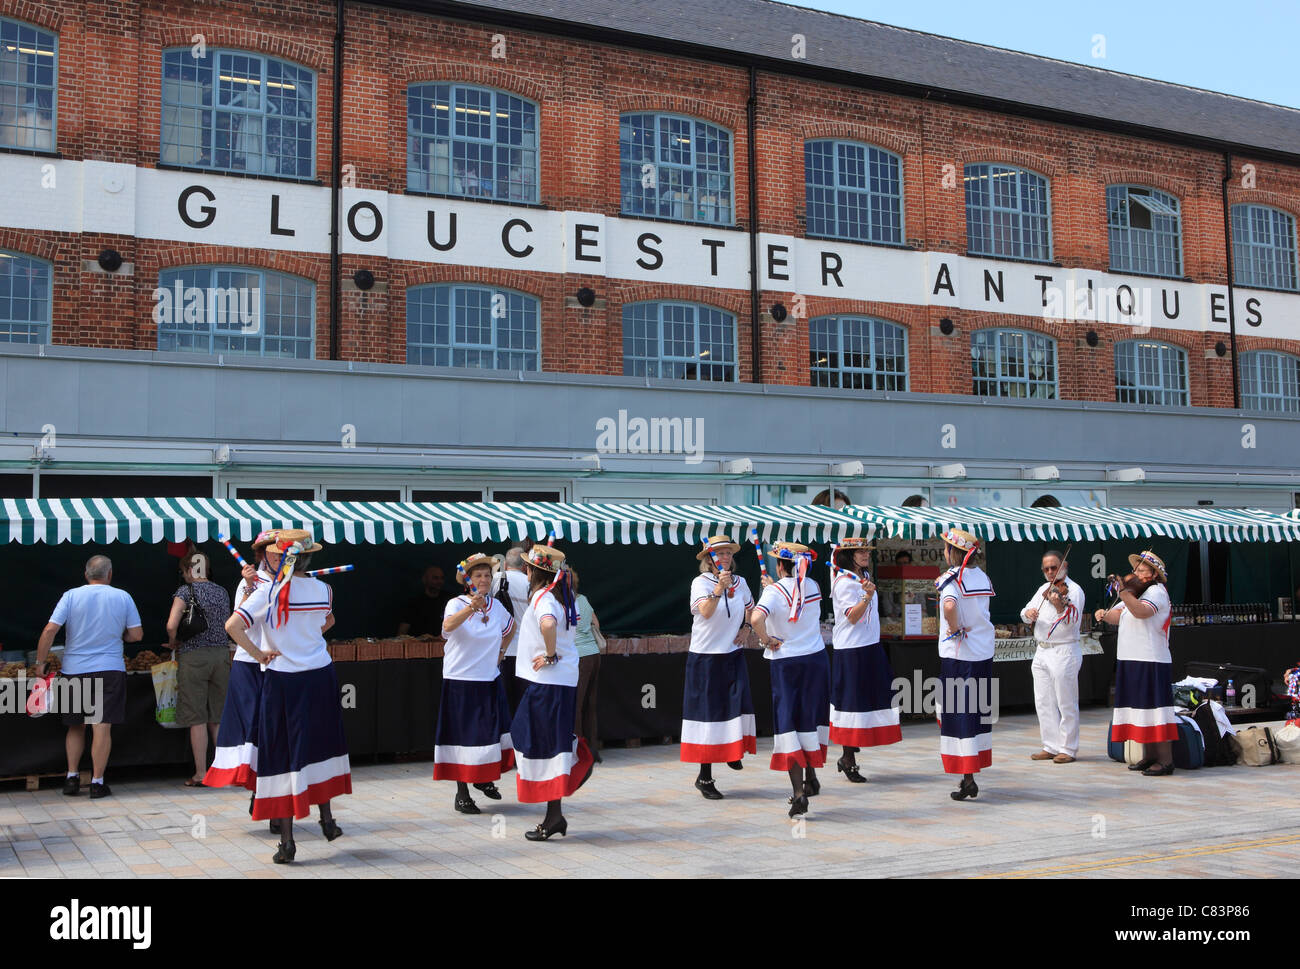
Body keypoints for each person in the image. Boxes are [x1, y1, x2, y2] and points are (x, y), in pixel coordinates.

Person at [224, 530, 351, 863]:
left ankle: (288, 842)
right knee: (318, 744)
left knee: (282, 752)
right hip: (321, 675)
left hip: (283, 679)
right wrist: (303, 639)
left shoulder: (268, 592)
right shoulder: (325, 589)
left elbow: (233, 627)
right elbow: (327, 620)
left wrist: (261, 652)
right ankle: (327, 820)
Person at [34, 555, 143, 800]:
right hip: (109, 668)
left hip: (74, 669)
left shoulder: (71, 595)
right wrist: (120, 637)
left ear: (86, 574)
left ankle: (71, 777)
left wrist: (40, 662)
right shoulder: (123, 597)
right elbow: (136, 635)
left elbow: (50, 629)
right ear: (110, 574)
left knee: (76, 726)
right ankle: (97, 782)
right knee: (101, 726)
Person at [511, 544, 593, 841]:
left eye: (527, 568)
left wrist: (549, 654)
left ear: (532, 572)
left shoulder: (544, 599)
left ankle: (581, 761)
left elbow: (548, 624)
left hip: (548, 682)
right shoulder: (561, 598)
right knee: (547, 743)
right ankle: (554, 816)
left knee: (531, 737)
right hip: (556, 682)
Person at [749, 542, 828, 818]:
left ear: (781, 565)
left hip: (786, 662)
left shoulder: (774, 591)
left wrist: (766, 639)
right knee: (809, 718)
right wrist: (776, 587)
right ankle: (811, 777)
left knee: (788, 723)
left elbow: (756, 617)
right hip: (816, 660)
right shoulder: (814, 586)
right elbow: (793, 594)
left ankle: (798, 793)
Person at [435, 553, 517, 815]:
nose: (483, 579)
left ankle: (482, 777)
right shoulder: (456, 603)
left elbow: (510, 628)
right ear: (468, 580)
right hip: (460, 679)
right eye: (478, 576)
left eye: (487, 575)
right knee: (463, 737)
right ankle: (462, 794)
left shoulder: (496, 606)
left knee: (488, 733)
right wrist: (471, 607)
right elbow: (446, 627)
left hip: (488, 678)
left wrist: (501, 652)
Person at [682, 535, 756, 799]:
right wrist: (717, 590)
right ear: (708, 559)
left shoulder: (742, 582)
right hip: (706, 657)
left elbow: (751, 608)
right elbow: (705, 612)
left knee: (738, 705)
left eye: (728, 553)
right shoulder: (700, 583)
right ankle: (704, 777)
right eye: (719, 553)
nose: (725, 557)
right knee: (708, 716)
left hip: (732, 653)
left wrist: (747, 628)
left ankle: (733, 752)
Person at [1097, 551, 1177, 776]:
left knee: (1155, 709)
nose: (1136, 574)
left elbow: (1141, 612)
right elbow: (1119, 616)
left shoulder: (1156, 592)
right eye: (1136, 570)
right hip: (1131, 657)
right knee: (1140, 710)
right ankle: (1149, 755)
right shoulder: (1137, 593)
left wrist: (1123, 592)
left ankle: (1165, 760)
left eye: (1142, 571)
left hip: (1150, 659)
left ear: (1154, 574)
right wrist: (1104, 614)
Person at [828, 539, 900, 783]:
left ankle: (852, 751)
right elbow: (851, 617)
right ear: (849, 556)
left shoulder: (864, 576)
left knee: (869, 699)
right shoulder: (844, 583)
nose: (866, 555)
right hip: (852, 649)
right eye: (860, 551)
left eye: (867, 551)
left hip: (869, 645)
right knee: (851, 703)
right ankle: (848, 757)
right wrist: (867, 597)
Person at [934, 528, 995, 801]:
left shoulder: (952, 580)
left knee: (959, 714)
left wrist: (954, 627)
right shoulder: (982, 576)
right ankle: (971, 773)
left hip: (959, 656)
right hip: (982, 654)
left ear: (953, 552)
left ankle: (967, 777)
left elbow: (948, 606)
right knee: (976, 713)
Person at [165, 551, 234, 787]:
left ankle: (201, 773)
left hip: (194, 656)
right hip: (221, 655)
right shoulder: (222, 591)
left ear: (187, 570)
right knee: (218, 716)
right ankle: (225, 770)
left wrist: (174, 641)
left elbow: (171, 624)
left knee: (197, 718)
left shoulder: (185, 592)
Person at [1022, 550, 1085, 765]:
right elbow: (1025, 610)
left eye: (1054, 567)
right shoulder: (1042, 589)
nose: (1050, 572)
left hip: (1063, 649)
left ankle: (1068, 747)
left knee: (1065, 701)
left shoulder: (1074, 590)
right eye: (1046, 568)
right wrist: (1028, 614)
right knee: (1043, 701)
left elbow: (1073, 621)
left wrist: (1059, 605)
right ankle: (1050, 745)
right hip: (1042, 650)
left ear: (1063, 565)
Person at [569, 567, 604, 764]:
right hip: (593, 654)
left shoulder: (564, 603)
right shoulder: (583, 599)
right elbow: (595, 624)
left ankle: (579, 751)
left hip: (579, 657)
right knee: (590, 704)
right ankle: (592, 749)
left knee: (576, 705)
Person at [494, 547, 530, 714]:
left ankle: (505, 736)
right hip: (525, 650)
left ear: (505, 563)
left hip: (501, 648)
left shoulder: (495, 579)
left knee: (503, 699)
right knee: (522, 700)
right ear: (525, 566)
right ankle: (520, 737)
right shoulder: (530, 583)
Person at [398, 566, 453, 637]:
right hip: (419, 645)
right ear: (424, 580)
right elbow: (402, 631)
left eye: (442, 578)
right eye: (435, 578)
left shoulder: (450, 601)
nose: (439, 581)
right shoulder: (414, 603)